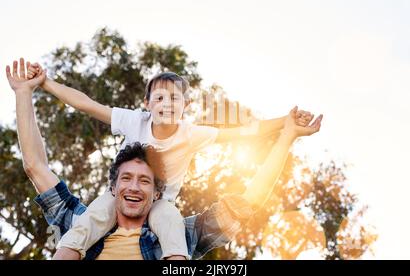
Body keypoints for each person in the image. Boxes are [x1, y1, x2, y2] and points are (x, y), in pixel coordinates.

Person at [24, 59, 317, 260]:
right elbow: (87, 104)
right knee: (90, 220)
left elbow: (243, 133)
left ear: (185, 106)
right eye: (160, 98)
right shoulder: (133, 121)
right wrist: (44, 83)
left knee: (170, 222)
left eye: (175, 99)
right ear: (147, 104)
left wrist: (284, 125)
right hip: (112, 199)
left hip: (163, 203)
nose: (167, 104)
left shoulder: (191, 134)